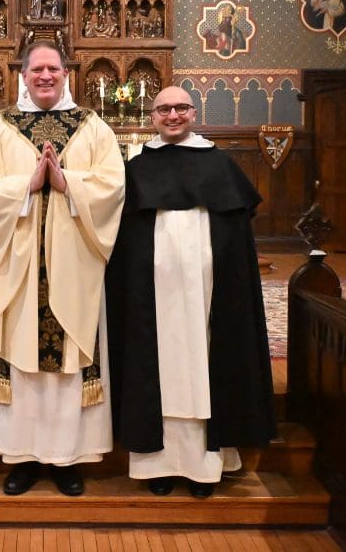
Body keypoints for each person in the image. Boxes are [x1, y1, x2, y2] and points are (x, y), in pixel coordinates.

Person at [0, 41, 125, 496]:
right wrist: (26, 185)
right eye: (38, 69)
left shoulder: (94, 128)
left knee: (70, 361)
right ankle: (24, 458)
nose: (46, 76)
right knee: (20, 363)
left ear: (66, 74)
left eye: (54, 68)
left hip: (73, 267)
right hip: (17, 267)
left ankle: (68, 458)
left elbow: (113, 186)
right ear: (24, 75)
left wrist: (66, 182)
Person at [105, 86, 276, 498]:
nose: (173, 115)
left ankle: (205, 465)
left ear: (193, 112)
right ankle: (156, 464)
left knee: (205, 362)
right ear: (152, 116)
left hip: (209, 289)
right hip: (153, 289)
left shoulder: (218, 164)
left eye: (180, 107)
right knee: (156, 364)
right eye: (163, 109)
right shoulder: (137, 165)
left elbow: (236, 236)